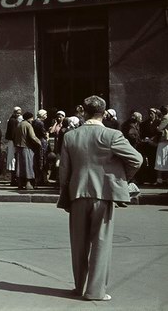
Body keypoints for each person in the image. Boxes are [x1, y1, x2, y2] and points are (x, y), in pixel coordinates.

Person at [57, 95, 142, 302]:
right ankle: (95, 292)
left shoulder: (70, 136)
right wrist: (122, 178)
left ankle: (79, 287)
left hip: (77, 193)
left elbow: (64, 170)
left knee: (78, 243)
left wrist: (65, 195)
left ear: (82, 112)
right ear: (104, 113)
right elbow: (136, 159)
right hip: (104, 194)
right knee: (101, 243)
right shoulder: (112, 135)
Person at [14, 112, 41, 190]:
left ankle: (19, 184)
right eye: (32, 118)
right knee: (28, 166)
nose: (32, 120)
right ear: (29, 118)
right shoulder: (28, 125)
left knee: (19, 166)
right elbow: (33, 137)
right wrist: (39, 143)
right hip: (26, 147)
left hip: (18, 147)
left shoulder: (19, 124)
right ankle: (28, 183)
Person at [5, 107, 22, 186]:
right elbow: (13, 133)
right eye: (17, 113)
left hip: (12, 142)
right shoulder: (13, 121)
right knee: (13, 159)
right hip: (13, 142)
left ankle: (14, 178)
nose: (18, 114)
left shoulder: (12, 120)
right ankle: (14, 178)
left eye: (19, 113)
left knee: (13, 159)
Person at [32, 109, 49, 186]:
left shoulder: (35, 122)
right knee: (41, 158)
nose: (46, 116)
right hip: (41, 141)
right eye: (45, 114)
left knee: (38, 158)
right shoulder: (40, 123)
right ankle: (40, 178)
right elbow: (43, 132)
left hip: (36, 142)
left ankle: (39, 178)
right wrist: (46, 135)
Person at [154, 105, 168, 186]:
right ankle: (165, 179)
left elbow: (160, 128)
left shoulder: (165, 118)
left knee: (160, 159)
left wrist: (157, 127)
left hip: (163, 140)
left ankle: (159, 179)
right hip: (166, 140)